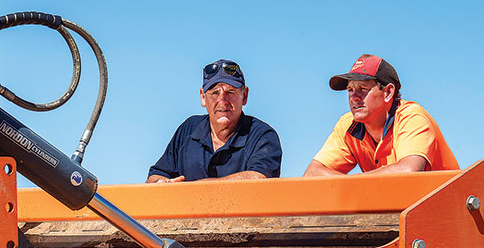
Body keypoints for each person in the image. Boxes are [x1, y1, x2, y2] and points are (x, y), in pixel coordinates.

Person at [304, 54, 458, 176]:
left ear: (388, 92)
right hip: (402, 209)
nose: (354, 97)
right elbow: (312, 174)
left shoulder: (411, 117)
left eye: (363, 88)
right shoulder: (347, 125)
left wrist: (350, 183)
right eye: (350, 90)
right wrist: (351, 184)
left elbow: (409, 172)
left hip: (450, 209)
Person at [147, 59, 281, 183]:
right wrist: (161, 183)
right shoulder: (188, 129)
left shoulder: (262, 135)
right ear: (203, 97)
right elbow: (156, 175)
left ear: (244, 96)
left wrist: (196, 189)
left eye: (230, 92)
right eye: (215, 93)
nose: (222, 101)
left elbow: (260, 178)